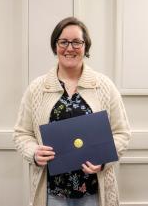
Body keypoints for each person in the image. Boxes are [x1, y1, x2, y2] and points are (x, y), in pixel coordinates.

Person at [13, 17, 131, 206]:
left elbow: (122, 133)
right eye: (63, 42)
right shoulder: (37, 88)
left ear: (85, 46)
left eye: (77, 42)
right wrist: (34, 152)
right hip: (51, 192)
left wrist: (103, 160)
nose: (70, 48)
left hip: (94, 190)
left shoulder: (105, 87)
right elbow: (21, 133)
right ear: (55, 46)